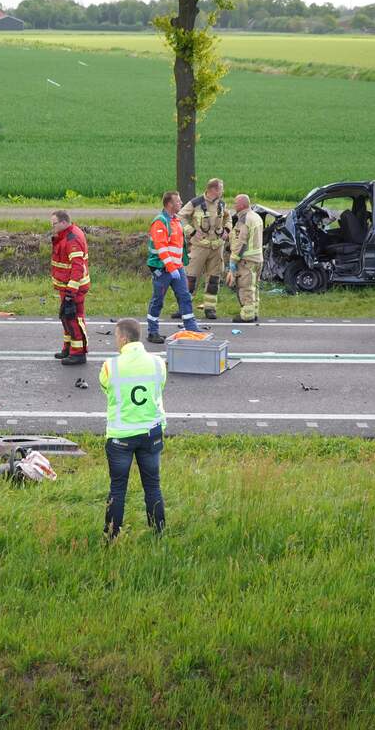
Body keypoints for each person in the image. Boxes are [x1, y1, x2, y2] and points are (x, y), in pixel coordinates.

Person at [99, 318, 167, 540]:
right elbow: (160, 387)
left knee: (118, 489)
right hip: (151, 434)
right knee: (153, 486)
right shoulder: (158, 363)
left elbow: (104, 387)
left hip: (121, 437)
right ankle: (158, 531)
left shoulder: (111, 366)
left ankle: (112, 536)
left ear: (124, 338)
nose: (116, 341)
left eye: (116, 337)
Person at [147, 191, 199, 343]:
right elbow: (162, 248)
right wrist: (171, 267)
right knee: (158, 300)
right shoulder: (160, 222)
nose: (181, 203)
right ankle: (152, 331)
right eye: (178, 201)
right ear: (169, 204)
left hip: (176, 268)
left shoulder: (175, 220)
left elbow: (177, 246)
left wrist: (179, 264)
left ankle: (191, 327)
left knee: (185, 297)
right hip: (162, 269)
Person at [175, 178, 231, 320]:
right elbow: (180, 216)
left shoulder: (222, 204)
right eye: (221, 188)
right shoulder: (196, 203)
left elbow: (228, 218)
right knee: (191, 278)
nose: (223, 191)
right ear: (213, 190)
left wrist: (227, 229)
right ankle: (184, 309)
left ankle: (210, 309)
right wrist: (191, 231)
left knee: (214, 279)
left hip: (217, 247)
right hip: (199, 247)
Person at [50, 210, 91, 366]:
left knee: (73, 318)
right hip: (66, 286)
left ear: (64, 223)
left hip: (74, 288)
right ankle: (68, 348)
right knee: (66, 317)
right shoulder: (64, 236)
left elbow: (77, 268)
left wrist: (70, 292)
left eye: (54, 224)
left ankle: (78, 353)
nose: (52, 227)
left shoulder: (72, 239)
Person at [225, 194, 264, 323]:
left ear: (242, 205)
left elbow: (240, 242)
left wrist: (233, 261)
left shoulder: (244, 219)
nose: (234, 206)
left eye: (235, 203)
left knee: (245, 287)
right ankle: (254, 312)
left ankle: (247, 315)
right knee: (255, 287)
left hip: (247, 260)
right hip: (258, 259)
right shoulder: (256, 216)